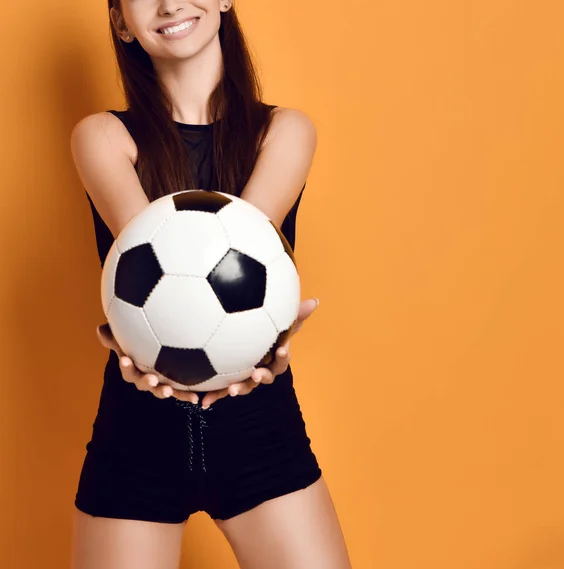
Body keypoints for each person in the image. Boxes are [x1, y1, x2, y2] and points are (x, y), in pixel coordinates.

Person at [69, 1, 352, 568]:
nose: (171, 3)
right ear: (122, 21)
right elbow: (149, 253)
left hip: (259, 427)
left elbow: (243, 250)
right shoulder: (102, 137)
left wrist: (268, 346)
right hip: (137, 432)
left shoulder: (285, 131)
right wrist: (135, 345)